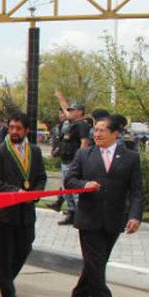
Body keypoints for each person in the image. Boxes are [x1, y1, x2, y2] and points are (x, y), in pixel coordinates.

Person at [64, 115, 143, 297]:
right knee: (96, 263)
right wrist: (84, 184)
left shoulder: (130, 157)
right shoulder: (84, 154)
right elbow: (69, 180)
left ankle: (78, 295)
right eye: (95, 130)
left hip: (114, 219)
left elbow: (136, 190)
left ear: (115, 133)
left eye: (102, 130)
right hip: (89, 218)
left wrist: (135, 216)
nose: (96, 134)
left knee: (96, 263)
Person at [0, 113, 48, 297]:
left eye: (18, 128)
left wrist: (35, 193)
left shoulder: (35, 151)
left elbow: (41, 177)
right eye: (12, 127)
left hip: (26, 211)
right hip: (5, 212)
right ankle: (7, 289)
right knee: (4, 252)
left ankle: (4, 276)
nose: (14, 131)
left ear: (26, 130)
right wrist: (17, 192)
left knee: (25, 247)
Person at [52, 94, 92, 225]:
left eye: (73, 110)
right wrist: (60, 98)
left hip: (73, 162)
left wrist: (79, 161)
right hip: (66, 160)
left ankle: (81, 216)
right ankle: (71, 213)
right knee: (66, 189)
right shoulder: (72, 124)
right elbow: (65, 110)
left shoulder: (82, 125)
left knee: (74, 191)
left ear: (80, 112)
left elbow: (84, 143)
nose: (70, 112)